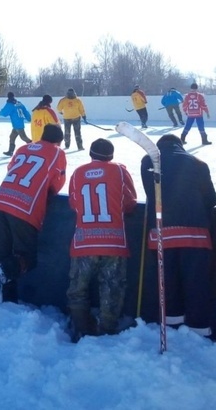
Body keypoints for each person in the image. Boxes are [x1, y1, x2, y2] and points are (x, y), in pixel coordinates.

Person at [140, 134, 216, 336]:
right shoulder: (198, 163)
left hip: (161, 233)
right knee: (196, 283)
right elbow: (212, 199)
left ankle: (172, 325)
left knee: (168, 283)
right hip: (195, 233)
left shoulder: (148, 161)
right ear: (180, 145)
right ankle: (200, 329)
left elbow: (151, 193)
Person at [0, 123, 67, 304]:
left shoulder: (23, 148)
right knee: (26, 258)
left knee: (0, 256)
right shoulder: (57, 152)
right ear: (58, 141)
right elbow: (57, 183)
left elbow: (11, 169)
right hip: (24, 208)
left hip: (0, 201)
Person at [66, 139, 137, 340]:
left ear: (91, 154)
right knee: (112, 286)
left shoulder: (78, 172)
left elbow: (73, 202)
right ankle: (107, 329)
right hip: (113, 242)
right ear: (111, 156)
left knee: (78, 287)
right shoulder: (120, 171)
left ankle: (81, 328)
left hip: (83, 241)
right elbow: (130, 202)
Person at [0, 91, 32, 156]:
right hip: (18, 123)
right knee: (12, 137)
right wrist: (29, 118)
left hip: (17, 124)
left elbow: (4, 113)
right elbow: (25, 111)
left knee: (23, 137)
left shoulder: (10, 104)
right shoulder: (19, 103)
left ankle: (33, 146)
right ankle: (10, 151)